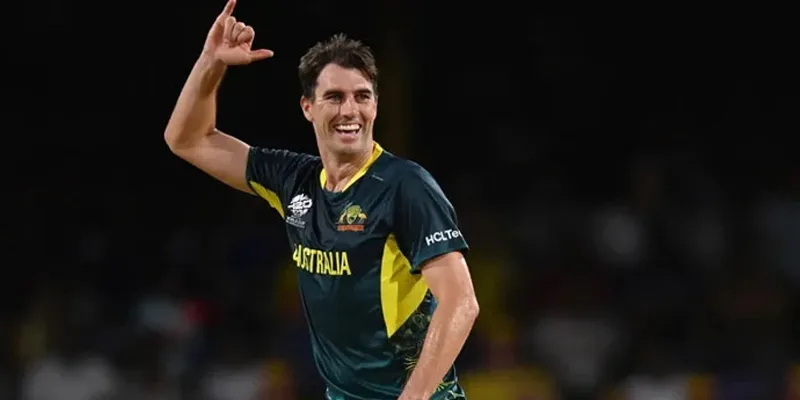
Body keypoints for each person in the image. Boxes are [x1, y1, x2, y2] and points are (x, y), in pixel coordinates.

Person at [164, 1, 480, 399]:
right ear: (308, 107)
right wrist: (211, 62)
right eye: (334, 97)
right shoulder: (294, 180)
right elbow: (187, 139)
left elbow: (461, 302)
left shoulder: (405, 185)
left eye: (362, 96)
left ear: (375, 105)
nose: (350, 110)